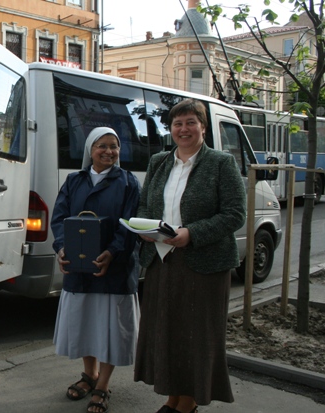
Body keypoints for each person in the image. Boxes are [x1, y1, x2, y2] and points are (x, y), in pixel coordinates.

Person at [133, 99, 246, 413]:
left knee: (196, 335)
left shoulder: (221, 163)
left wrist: (191, 234)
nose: (183, 129)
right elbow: (145, 205)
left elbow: (235, 214)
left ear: (203, 127)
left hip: (204, 266)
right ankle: (172, 398)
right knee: (165, 332)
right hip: (161, 260)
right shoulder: (159, 162)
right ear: (171, 129)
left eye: (190, 123)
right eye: (177, 124)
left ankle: (188, 403)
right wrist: (142, 227)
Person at [50, 127, 141, 413]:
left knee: (111, 329)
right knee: (86, 325)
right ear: (90, 150)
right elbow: (59, 219)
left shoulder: (128, 183)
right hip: (79, 269)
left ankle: (103, 385)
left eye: (114, 146)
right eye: (102, 146)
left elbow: (130, 224)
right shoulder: (74, 181)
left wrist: (112, 252)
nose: (109, 151)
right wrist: (62, 249)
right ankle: (89, 375)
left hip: (114, 270)